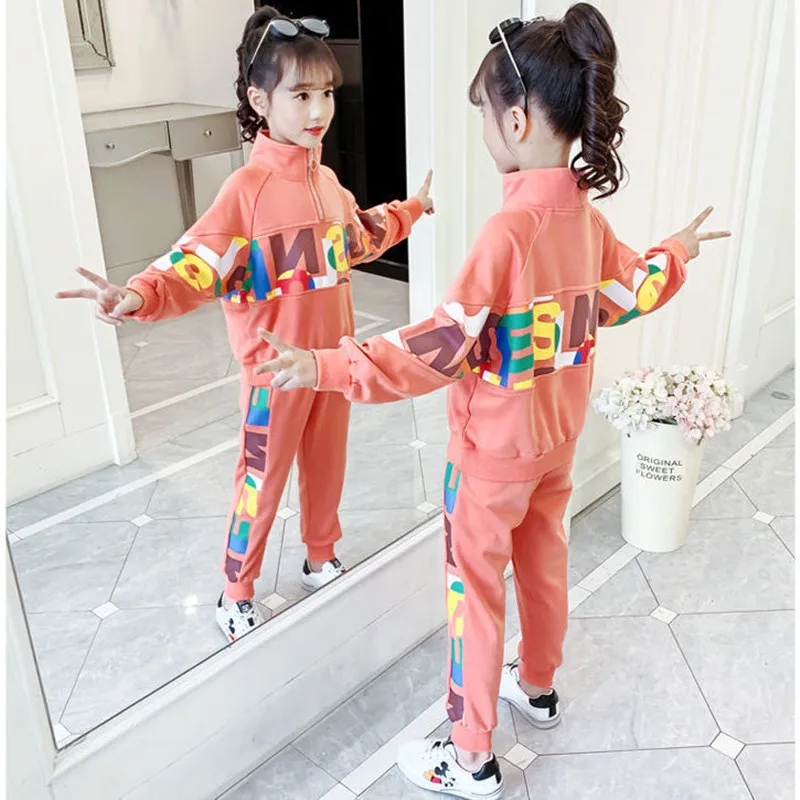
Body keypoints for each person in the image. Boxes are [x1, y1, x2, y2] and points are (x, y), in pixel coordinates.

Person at [254, 5, 730, 798]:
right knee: (544, 567)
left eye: (483, 113)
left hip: (488, 461)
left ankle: (469, 753)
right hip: (556, 446)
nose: (483, 128)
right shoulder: (584, 219)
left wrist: (326, 364)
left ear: (515, 120)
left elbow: (438, 348)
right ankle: (537, 686)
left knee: (473, 595)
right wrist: (674, 253)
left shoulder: (507, 234)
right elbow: (629, 294)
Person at [55, 5, 434, 643]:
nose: (319, 109)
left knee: (327, 465)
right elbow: (193, 264)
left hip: (330, 365)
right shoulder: (245, 192)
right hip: (273, 377)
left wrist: (414, 209)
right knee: (261, 478)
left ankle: (320, 555)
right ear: (260, 100)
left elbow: (360, 236)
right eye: (301, 94)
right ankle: (236, 589)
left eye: (326, 93)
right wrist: (138, 295)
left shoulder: (328, 183)